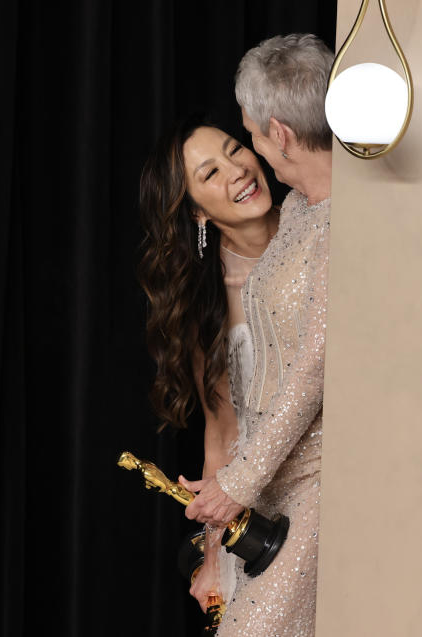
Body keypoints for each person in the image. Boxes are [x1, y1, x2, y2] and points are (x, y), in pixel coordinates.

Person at [179, 33, 334, 637]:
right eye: (208, 173)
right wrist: (217, 536)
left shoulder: (327, 218)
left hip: (317, 484)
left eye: (240, 139)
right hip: (262, 496)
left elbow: (314, 366)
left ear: (278, 134)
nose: (244, 164)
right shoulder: (298, 207)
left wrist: (237, 482)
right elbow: (228, 424)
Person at [137, 114, 279, 613]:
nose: (236, 170)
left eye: (234, 150)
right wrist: (216, 557)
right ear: (196, 212)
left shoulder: (325, 235)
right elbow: (221, 436)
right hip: (266, 505)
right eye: (210, 173)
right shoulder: (207, 306)